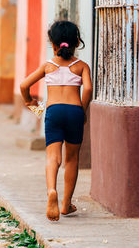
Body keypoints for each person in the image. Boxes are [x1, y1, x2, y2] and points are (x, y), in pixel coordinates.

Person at [20, 20, 92, 221]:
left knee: (53, 157)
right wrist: (82, 110)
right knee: (72, 159)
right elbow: (87, 89)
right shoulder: (81, 67)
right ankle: (66, 204)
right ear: (76, 42)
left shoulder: (48, 66)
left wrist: (31, 103)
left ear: (53, 44)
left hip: (53, 112)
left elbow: (24, 85)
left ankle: (52, 190)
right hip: (74, 112)